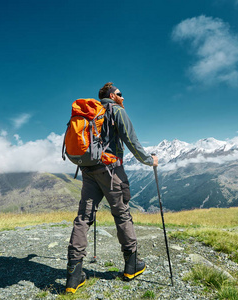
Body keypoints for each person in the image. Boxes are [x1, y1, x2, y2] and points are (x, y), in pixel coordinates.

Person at [66, 82, 159, 293]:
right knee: (122, 214)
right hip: (111, 172)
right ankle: (131, 264)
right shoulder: (116, 111)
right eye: (120, 93)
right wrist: (149, 160)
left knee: (83, 218)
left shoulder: (92, 116)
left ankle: (73, 274)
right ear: (111, 95)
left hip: (88, 171)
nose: (123, 97)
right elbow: (131, 141)